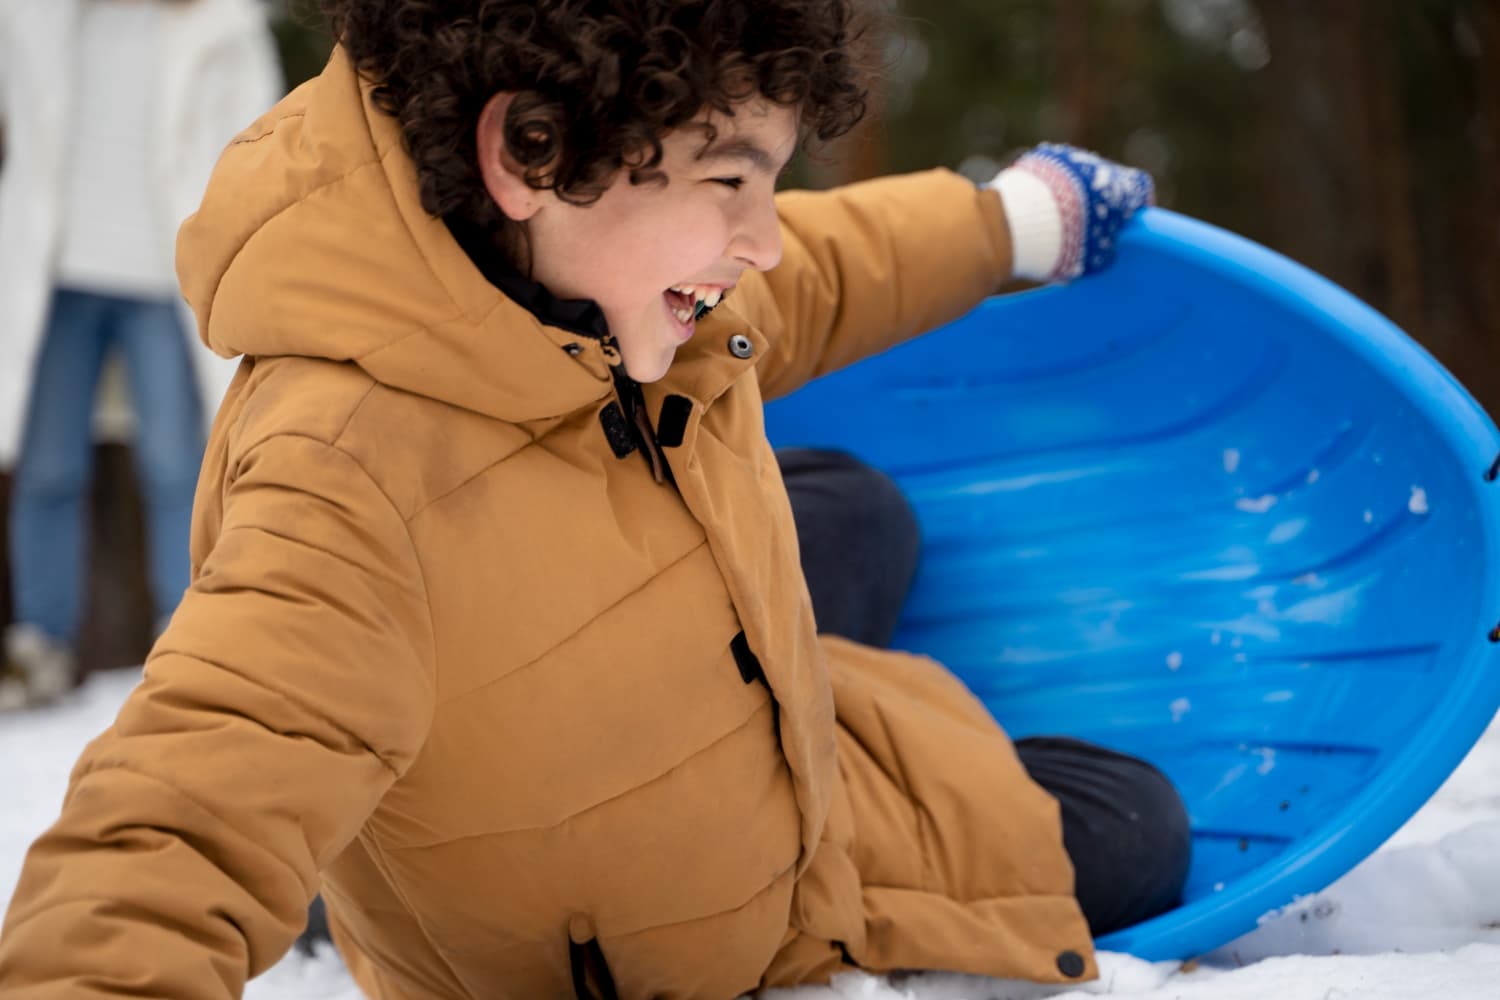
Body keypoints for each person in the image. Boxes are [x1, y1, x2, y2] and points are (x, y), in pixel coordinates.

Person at [0, 2, 1189, 997]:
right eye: (731, 179)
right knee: (1135, 823)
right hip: (715, 897)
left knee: (860, 510)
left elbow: (823, 270)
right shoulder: (348, 474)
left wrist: (1006, 224)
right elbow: (177, 820)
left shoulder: (603, 273)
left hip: (685, 720)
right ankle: (345, 856)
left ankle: (371, 820)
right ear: (530, 153)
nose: (761, 240)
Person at [0, 0, 283, 710]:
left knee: (178, 465)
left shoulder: (221, 22)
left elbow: (264, 142)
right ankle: (40, 644)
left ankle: (188, 636)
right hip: (57, 270)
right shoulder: (35, 14)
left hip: (167, 273)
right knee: (49, 467)